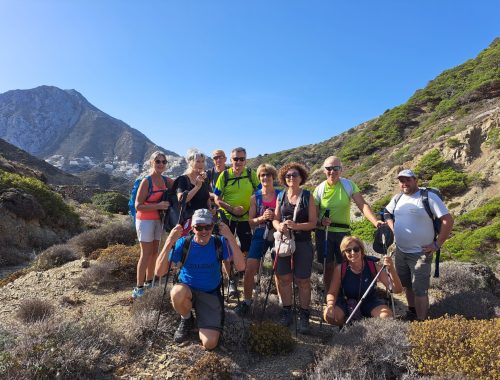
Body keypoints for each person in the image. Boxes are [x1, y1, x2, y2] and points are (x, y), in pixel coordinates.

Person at [155, 209, 245, 350]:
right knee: (176, 293)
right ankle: (186, 319)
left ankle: (203, 317)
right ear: (192, 228)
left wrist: (230, 237)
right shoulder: (184, 243)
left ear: (212, 227)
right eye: (199, 227)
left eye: (208, 227)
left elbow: (241, 266)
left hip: (210, 293)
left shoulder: (219, 243)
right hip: (188, 290)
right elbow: (159, 272)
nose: (204, 231)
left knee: (210, 344)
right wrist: (169, 241)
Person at [384, 169, 453, 321]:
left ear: (415, 180)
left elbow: (448, 220)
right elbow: (387, 213)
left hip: (420, 252)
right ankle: (412, 312)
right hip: (401, 251)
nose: (404, 183)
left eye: (408, 180)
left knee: (420, 289)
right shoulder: (398, 198)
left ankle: (421, 322)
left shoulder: (428, 197)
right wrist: (392, 227)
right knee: (408, 285)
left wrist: (437, 244)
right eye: (401, 181)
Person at [314, 155, 383, 293]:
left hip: (343, 234)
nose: (332, 171)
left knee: (345, 264)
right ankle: (330, 296)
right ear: (324, 170)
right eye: (329, 168)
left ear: (341, 170)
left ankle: (346, 294)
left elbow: (362, 205)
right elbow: (313, 216)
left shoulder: (348, 185)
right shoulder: (319, 189)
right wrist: (320, 221)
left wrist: (376, 222)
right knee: (328, 266)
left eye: (336, 168)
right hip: (324, 231)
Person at [272, 162, 317, 333]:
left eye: (294, 175)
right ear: (284, 178)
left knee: (303, 280)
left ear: (301, 178)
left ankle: (304, 315)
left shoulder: (307, 196)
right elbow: (275, 219)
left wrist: (296, 226)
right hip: (284, 242)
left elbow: (313, 223)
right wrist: (279, 226)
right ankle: (287, 312)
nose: (291, 178)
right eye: (288, 175)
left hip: (303, 242)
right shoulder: (281, 196)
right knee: (284, 278)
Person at [324, 236, 403, 326]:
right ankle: (348, 326)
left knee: (386, 317)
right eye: (348, 250)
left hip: (369, 301)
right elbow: (333, 292)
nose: (352, 253)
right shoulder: (340, 269)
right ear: (344, 253)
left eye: (356, 249)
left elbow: (397, 290)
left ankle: (369, 328)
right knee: (329, 316)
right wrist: (330, 306)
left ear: (362, 251)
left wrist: (391, 269)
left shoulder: (373, 267)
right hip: (346, 302)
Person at [213, 147, 261, 297]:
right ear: (231, 160)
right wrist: (232, 209)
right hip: (227, 217)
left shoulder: (251, 174)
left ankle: (246, 278)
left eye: (242, 159)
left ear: (246, 160)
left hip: (246, 218)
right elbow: (216, 198)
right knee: (226, 249)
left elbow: (261, 191)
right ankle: (231, 281)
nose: (238, 162)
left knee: (247, 249)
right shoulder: (224, 175)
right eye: (236, 159)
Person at [235, 164, 279, 316]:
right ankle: (246, 301)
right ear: (259, 178)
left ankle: (282, 304)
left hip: (277, 234)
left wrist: (275, 219)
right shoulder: (255, 197)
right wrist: (263, 217)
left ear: (273, 177)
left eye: (268, 175)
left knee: (279, 269)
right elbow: (250, 221)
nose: (265, 178)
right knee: (250, 268)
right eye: (262, 175)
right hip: (260, 233)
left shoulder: (281, 195)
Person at [132, 151, 174, 299]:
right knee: (145, 253)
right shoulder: (146, 181)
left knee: (155, 252)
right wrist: (158, 205)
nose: (161, 164)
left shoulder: (166, 180)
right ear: (151, 163)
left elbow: (182, 185)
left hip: (159, 221)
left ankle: (150, 282)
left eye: (163, 162)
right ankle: (139, 287)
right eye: (158, 161)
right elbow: (138, 206)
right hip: (145, 220)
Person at [175, 149, 211, 233]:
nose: (201, 164)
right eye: (197, 161)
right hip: (190, 223)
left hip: (205, 221)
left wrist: (211, 208)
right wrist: (197, 187)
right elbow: (181, 200)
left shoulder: (204, 179)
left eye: (203, 161)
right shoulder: (183, 179)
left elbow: (207, 197)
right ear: (190, 162)